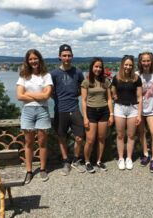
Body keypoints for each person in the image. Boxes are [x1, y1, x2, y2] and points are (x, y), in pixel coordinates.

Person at [16, 49, 53, 184]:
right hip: (27, 112)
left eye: (35, 58)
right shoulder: (23, 76)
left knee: (42, 142)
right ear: (27, 61)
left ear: (39, 59)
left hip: (42, 110)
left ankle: (42, 169)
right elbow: (19, 96)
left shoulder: (46, 75)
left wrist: (28, 95)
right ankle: (29, 171)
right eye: (30, 59)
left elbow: (46, 96)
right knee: (29, 143)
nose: (33, 61)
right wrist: (39, 96)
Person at [51, 44, 85, 176]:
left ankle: (76, 160)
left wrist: (74, 96)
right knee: (62, 137)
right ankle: (66, 161)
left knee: (79, 137)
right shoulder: (53, 74)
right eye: (64, 55)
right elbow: (50, 91)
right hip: (60, 110)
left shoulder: (77, 72)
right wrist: (57, 99)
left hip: (74, 108)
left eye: (69, 55)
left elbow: (82, 89)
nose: (67, 57)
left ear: (72, 56)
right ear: (59, 56)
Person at [81, 57, 114, 173]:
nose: (98, 69)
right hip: (91, 112)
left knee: (101, 138)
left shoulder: (105, 81)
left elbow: (109, 99)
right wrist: (85, 117)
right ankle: (87, 161)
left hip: (104, 111)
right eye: (96, 66)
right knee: (90, 140)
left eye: (100, 67)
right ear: (92, 68)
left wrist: (111, 114)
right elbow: (83, 100)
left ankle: (99, 161)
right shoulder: (86, 82)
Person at [111, 55, 142, 170]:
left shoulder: (136, 78)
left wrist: (139, 114)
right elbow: (112, 91)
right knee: (120, 135)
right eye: (126, 64)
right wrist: (114, 95)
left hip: (133, 108)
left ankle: (128, 158)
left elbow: (139, 97)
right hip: (119, 107)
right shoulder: (116, 78)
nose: (128, 67)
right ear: (122, 65)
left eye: (130, 65)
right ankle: (120, 158)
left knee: (131, 135)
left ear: (132, 66)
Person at [136, 52, 153, 173]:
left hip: (152, 110)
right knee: (141, 133)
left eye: (148, 60)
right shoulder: (136, 75)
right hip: (139, 110)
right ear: (140, 62)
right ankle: (146, 154)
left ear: (151, 61)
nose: (146, 63)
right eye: (143, 61)